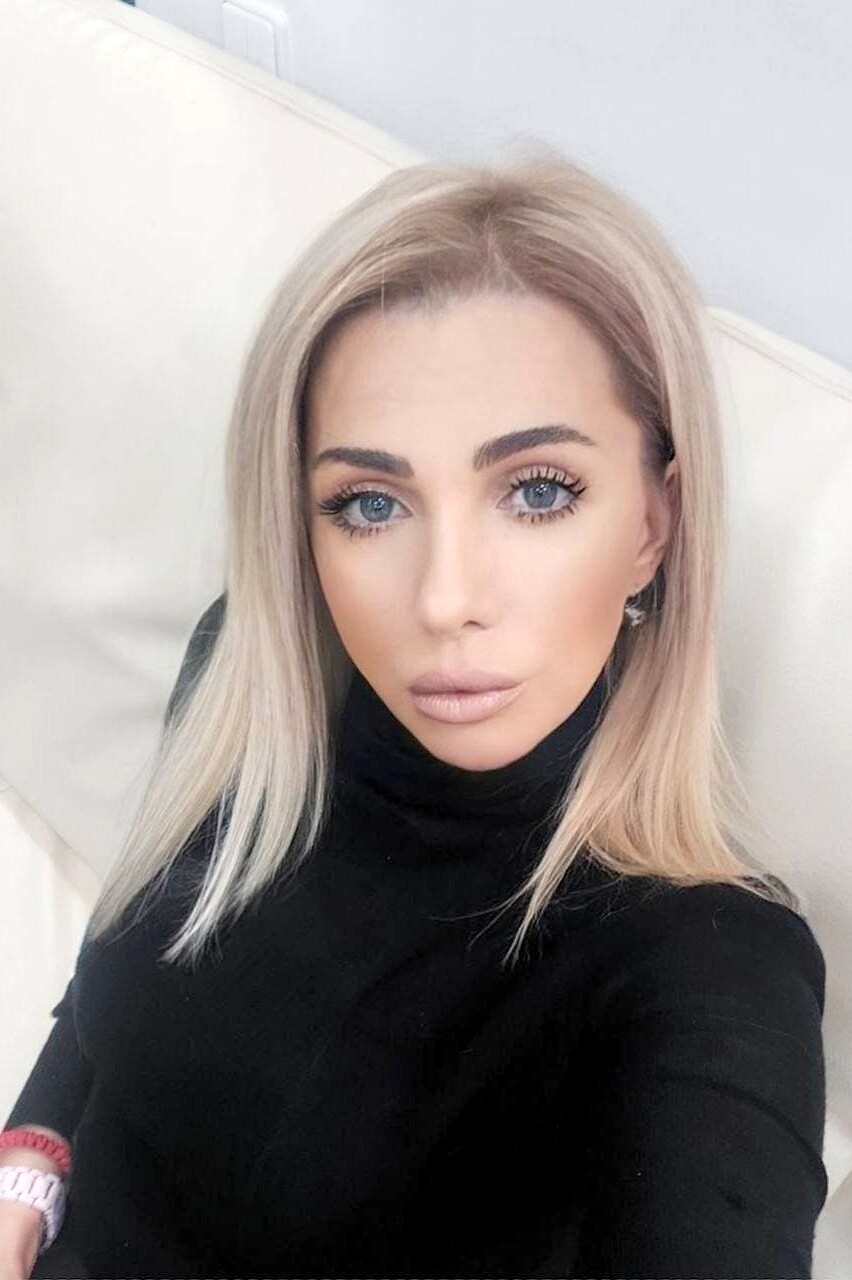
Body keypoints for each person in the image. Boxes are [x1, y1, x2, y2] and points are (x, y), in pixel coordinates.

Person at [0, 145, 827, 1279]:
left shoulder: (709, 965)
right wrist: (33, 1152)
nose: (444, 600)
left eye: (538, 491)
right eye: (370, 504)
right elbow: (131, 941)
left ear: (654, 523)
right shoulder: (251, 676)